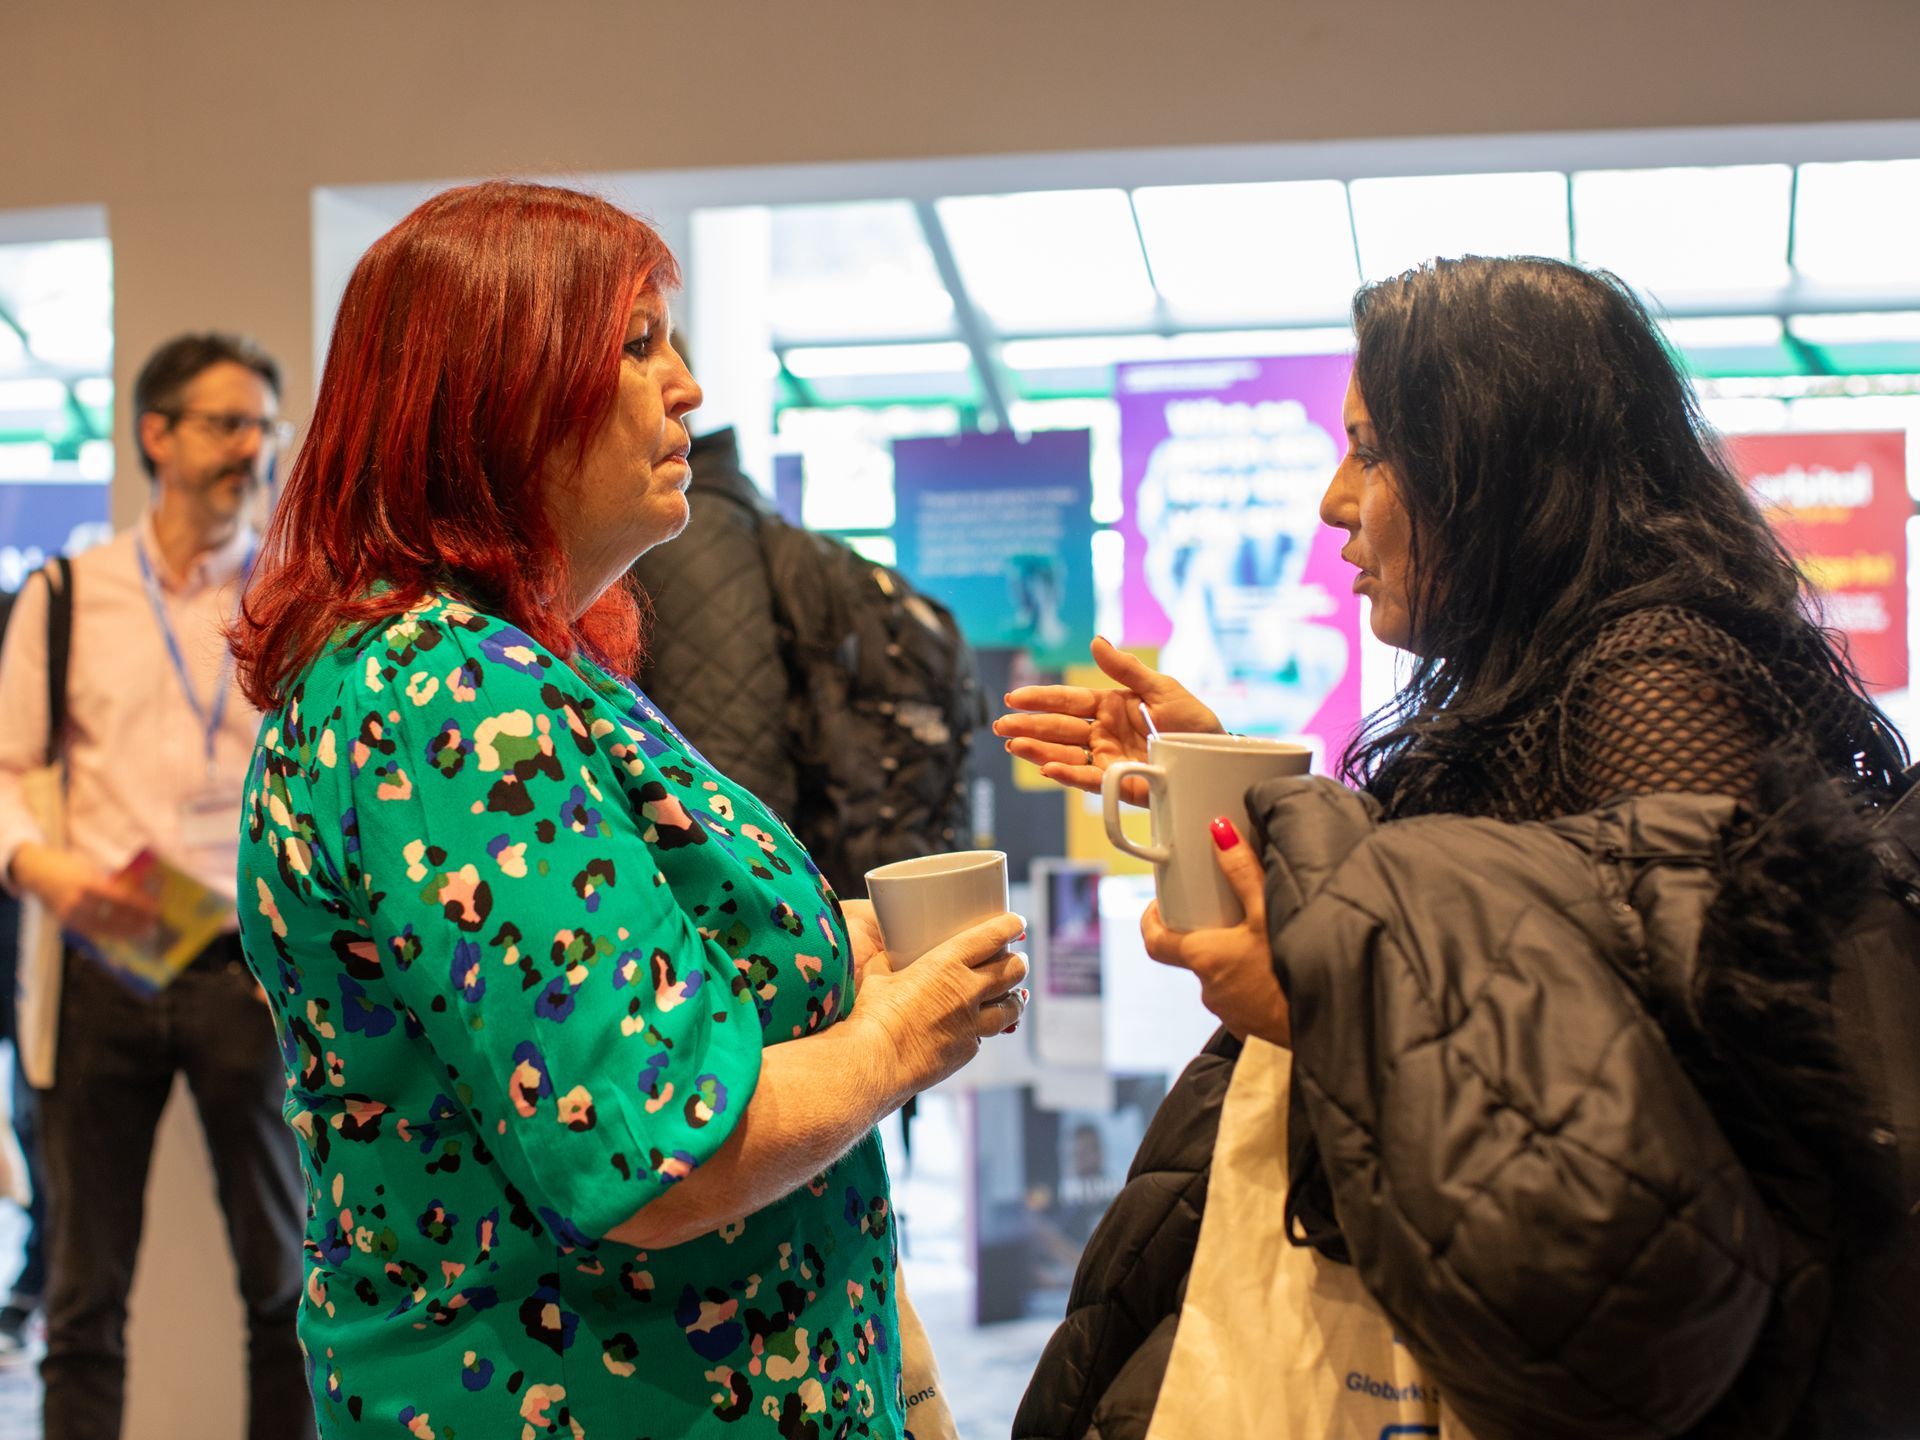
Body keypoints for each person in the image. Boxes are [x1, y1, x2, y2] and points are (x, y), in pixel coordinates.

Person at [998, 256, 1915, 1438]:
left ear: (1500, 464)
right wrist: (1204, 778)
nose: (1336, 500)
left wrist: (1319, 1007)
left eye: (1374, 450)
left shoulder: (1652, 684)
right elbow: (1506, 936)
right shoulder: (1555, 668)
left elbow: (1660, 1146)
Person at [229, 180, 1028, 1438]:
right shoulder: (445, 695)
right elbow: (654, 1151)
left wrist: (840, 970)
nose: (689, 388)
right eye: (639, 345)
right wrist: (900, 1039)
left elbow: (624, 1002)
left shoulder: (504, 670)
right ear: (499, 391)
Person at [0, 334, 309, 1439]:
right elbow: (10, 772)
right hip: (106, 964)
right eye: (229, 424)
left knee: (285, 1287)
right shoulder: (68, 596)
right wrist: (48, 872)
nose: (252, 450)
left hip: (246, 968)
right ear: (156, 436)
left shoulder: (290, 595)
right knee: (84, 1300)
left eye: (264, 428)